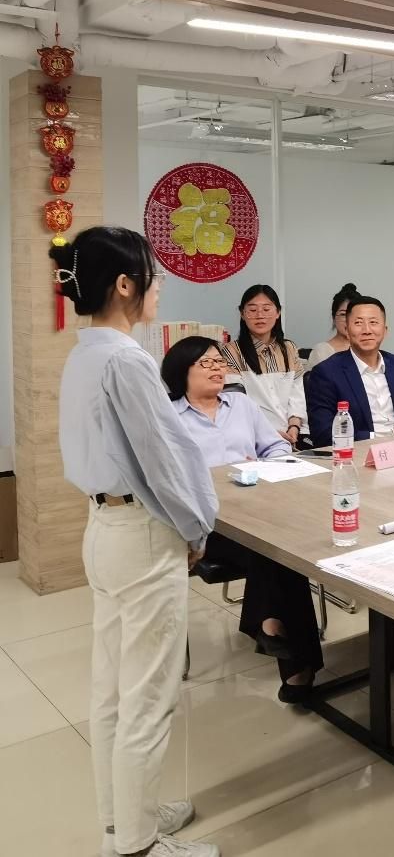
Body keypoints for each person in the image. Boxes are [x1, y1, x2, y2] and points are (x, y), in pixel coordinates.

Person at [54, 227, 220, 857]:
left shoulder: (85, 354)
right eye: (154, 274)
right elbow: (163, 463)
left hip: (104, 529)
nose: (160, 285)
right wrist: (195, 528)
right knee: (147, 699)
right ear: (125, 285)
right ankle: (140, 845)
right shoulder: (127, 360)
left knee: (112, 692)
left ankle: (122, 822)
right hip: (143, 537)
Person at [161, 338, 323, 702]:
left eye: (219, 362)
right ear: (181, 372)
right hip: (206, 524)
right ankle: (296, 666)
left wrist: (266, 463)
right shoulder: (169, 417)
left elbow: (277, 446)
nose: (217, 369)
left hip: (256, 510)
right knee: (277, 555)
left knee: (282, 551)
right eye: (205, 363)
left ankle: (268, 625)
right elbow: (166, 474)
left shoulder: (242, 405)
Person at [306, 295, 394, 446]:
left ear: (385, 330)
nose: (367, 330)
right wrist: (382, 437)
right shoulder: (326, 372)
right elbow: (323, 433)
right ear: (347, 330)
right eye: (358, 323)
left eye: (373, 322)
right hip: (360, 451)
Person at [220, 284, 307, 447]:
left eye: (266, 309)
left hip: (289, 437)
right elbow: (236, 403)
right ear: (242, 314)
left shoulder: (289, 349)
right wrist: (267, 433)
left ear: (278, 312)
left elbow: (297, 395)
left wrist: (294, 426)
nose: (260, 315)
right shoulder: (231, 351)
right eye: (252, 310)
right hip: (251, 438)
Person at [307, 282, 358, 369]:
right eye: (343, 314)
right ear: (334, 317)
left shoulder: (367, 349)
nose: (349, 320)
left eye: (354, 315)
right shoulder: (321, 351)